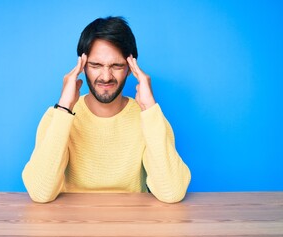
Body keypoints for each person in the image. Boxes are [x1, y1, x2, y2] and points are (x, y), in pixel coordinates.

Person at [22, 16, 191, 203]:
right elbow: (40, 193)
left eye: (116, 66)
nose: (106, 76)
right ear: (82, 67)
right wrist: (64, 108)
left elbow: (173, 192)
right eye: (96, 65)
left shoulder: (148, 118)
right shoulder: (58, 116)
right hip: (72, 224)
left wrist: (149, 107)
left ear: (130, 68)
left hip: (132, 224)